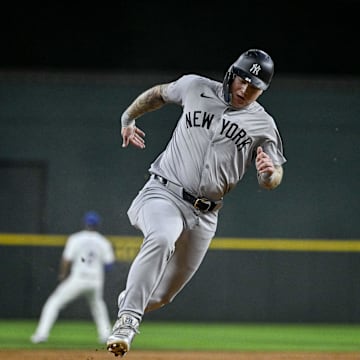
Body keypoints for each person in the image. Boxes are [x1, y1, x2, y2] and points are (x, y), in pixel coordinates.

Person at [106, 49, 287, 357]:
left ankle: (131, 299)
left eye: (255, 86)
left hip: (205, 215)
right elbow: (160, 94)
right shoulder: (195, 87)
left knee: (161, 295)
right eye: (242, 80)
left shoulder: (264, 124)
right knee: (162, 237)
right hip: (164, 192)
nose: (245, 89)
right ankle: (127, 321)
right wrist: (128, 117)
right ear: (232, 74)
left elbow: (274, 175)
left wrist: (269, 174)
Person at [31, 211, 116, 344]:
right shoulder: (103, 242)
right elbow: (109, 265)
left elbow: (66, 259)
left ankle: (41, 335)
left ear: (84, 223)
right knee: (98, 306)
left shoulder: (76, 238)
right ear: (98, 225)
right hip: (95, 281)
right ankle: (106, 335)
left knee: (54, 303)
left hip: (78, 279)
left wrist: (62, 275)